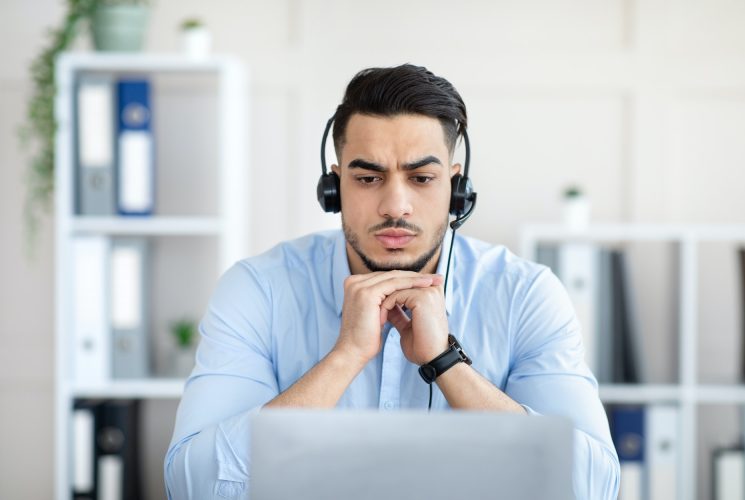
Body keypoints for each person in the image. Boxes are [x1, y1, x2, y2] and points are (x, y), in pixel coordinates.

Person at [164, 64, 620, 499]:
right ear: (333, 188)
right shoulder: (257, 289)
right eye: (367, 177)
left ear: (456, 190)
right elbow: (193, 487)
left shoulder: (525, 295)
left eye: (422, 177)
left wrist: (446, 364)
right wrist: (344, 358)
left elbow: (592, 488)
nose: (395, 205)